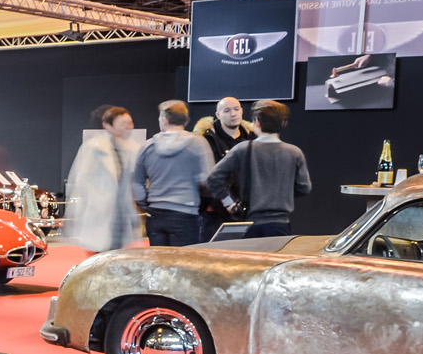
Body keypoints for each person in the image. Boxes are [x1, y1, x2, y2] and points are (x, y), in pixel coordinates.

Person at [206, 100, 311, 238]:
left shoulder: (243, 148)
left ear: (256, 122)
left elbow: (214, 178)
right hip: (280, 224)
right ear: (283, 123)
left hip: (248, 223)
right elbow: (304, 188)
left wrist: (229, 203)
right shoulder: (294, 152)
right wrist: (282, 194)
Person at [132, 100, 215, 247]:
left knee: (158, 260)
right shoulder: (198, 143)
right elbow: (207, 182)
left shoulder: (147, 146)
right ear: (186, 120)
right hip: (186, 214)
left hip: (155, 215)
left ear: (164, 120)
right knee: (182, 260)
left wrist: (146, 203)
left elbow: (136, 182)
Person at [65, 106, 141, 253]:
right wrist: (96, 201)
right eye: (123, 123)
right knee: (98, 253)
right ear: (108, 125)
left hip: (122, 213)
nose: (128, 127)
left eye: (130, 123)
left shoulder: (133, 148)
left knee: (118, 253)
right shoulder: (94, 147)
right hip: (100, 211)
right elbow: (82, 179)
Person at [197, 96, 257, 241]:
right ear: (218, 115)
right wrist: (216, 203)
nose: (233, 114)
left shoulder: (254, 139)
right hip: (215, 212)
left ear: (242, 111)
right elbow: (206, 176)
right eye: (227, 110)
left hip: (248, 210)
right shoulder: (206, 140)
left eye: (236, 109)